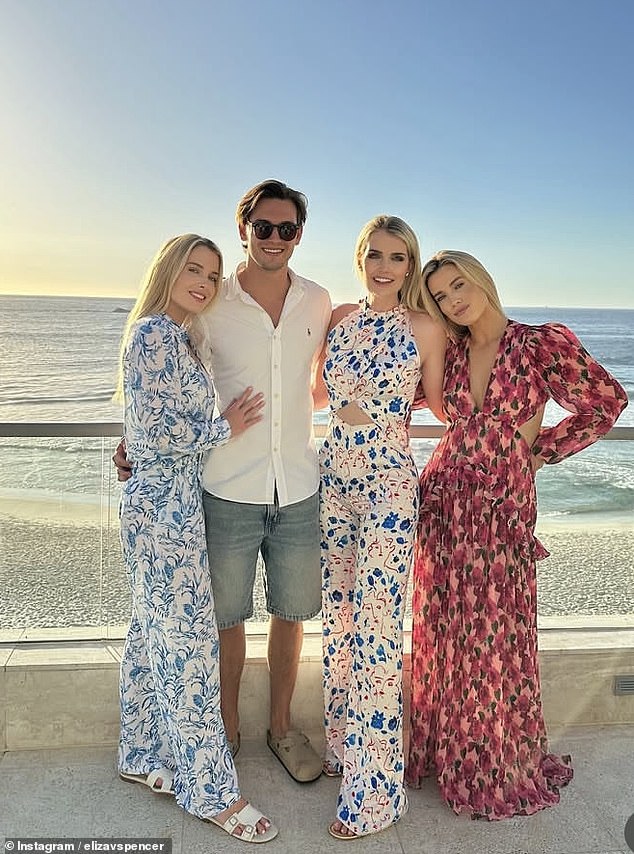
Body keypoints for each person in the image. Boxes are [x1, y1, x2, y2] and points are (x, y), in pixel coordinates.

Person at [115, 180, 331, 783]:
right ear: (245, 231)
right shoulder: (211, 304)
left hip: (298, 484)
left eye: (287, 229)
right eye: (263, 227)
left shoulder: (318, 300)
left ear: (300, 235)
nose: (275, 239)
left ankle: (282, 729)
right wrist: (136, 438)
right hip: (225, 487)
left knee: (292, 614)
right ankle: (226, 730)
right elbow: (164, 382)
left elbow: (322, 382)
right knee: (225, 618)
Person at [406, 250, 629, 819]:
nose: (455, 299)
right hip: (443, 500)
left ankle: (494, 761)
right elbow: (388, 393)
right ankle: (444, 751)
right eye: (441, 295)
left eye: (460, 285)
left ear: (481, 279)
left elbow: (606, 401)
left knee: (494, 634)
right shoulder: (449, 350)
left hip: (501, 504)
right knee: (445, 628)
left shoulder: (538, 344)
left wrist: (540, 451)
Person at [116, 233, 277, 843]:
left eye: (212, 274)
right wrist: (225, 426)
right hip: (164, 509)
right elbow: (161, 435)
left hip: (163, 501)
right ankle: (210, 791)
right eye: (194, 269)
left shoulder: (177, 336)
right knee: (188, 645)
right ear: (169, 269)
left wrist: (131, 444)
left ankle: (141, 754)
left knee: (152, 631)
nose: (205, 282)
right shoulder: (156, 333)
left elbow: (146, 423)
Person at [314, 216, 446, 839]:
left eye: (398, 256)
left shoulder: (424, 326)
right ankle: (344, 752)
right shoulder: (338, 317)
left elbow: (449, 405)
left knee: (376, 632)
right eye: (375, 254)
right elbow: (311, 392)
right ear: (360, 258)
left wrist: (520, 442)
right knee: (338, 621)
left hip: (389, 484)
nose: (385, 266)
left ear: (411, 263)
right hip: (332, 482)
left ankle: (373, 793)